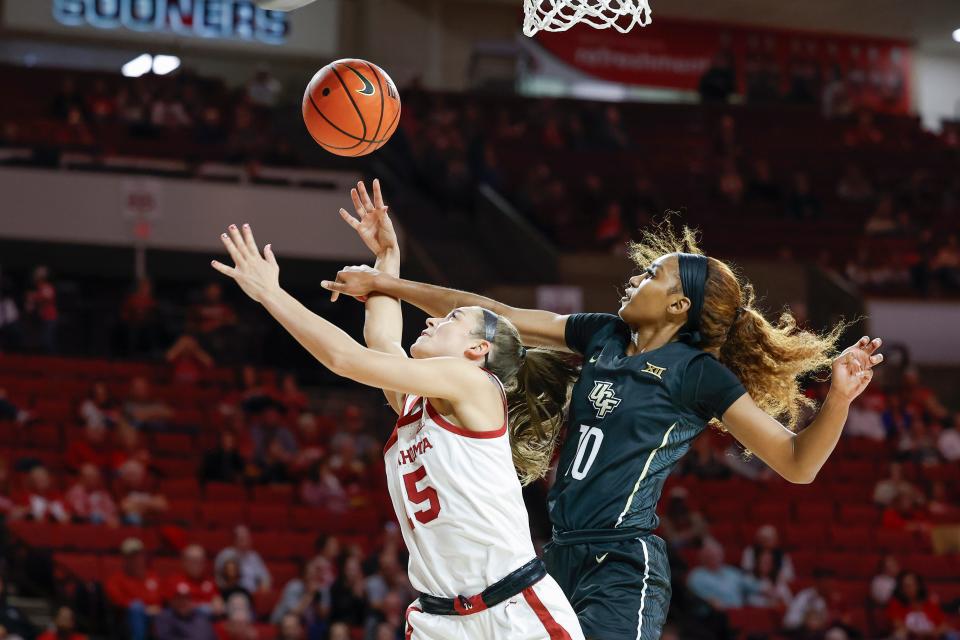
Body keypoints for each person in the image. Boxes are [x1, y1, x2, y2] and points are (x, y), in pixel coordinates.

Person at [321, 192, 885, 640]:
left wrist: (836, 400)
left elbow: (796, 463)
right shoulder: (604, 334)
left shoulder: (697, 374)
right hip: (555, 555)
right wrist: (388, 282)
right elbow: (502, 316)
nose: (636, 278)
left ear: (678, 306)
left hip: (622, 562)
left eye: (652, 276)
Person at [211, 180, 585, 639]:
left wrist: (271, 293)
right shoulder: (420, 405)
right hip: (439, 621)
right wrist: (386, 259)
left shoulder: (475, 385)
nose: (431, 319)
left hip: (512, 613)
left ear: (478, 350)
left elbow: (346, 359)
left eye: (451, 319)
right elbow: (382, 342)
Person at [105, 538, 164, 640]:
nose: (135, 559)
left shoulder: (153, 576)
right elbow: (118, 601)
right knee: (136, 607)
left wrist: (156, 607)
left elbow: (162, 596)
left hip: (155, 616)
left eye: (138, 555)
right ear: (124, 559)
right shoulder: (116, 580)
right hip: (127, 621)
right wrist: (145, 608)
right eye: (131, 556)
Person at [885, 571, 952, 638]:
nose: (909, 589)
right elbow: (898, 625)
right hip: (910, 637)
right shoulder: (895, 603)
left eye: (912, 585)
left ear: (919, 586)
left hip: (931, 637)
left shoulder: (929, 603)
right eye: (905, 586)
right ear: (900, 589)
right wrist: (924, 633)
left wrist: (932, 633)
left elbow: (944, 626)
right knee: (900, 634)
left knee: (952, 635)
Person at [214, 526, 271, 594]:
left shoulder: (254, 557)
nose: (246, 541)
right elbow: (218, 579)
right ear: (235, 540)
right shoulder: (225, 555)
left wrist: (262, 591)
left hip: (252, 594)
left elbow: (266, 578)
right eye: (242, 539)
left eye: (247, 538)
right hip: (232, 593)